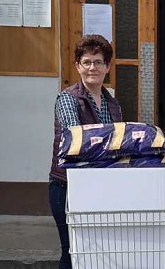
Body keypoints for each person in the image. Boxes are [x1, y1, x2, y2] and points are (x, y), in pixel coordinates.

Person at [49, 34, 122, 269]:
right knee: (71, 252)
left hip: (100, 185)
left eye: (99, 62)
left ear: (107, 67)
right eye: (87, 62)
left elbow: (120, 143)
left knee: (98, 253)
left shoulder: (112, 103)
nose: (93, 67)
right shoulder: (68, 99)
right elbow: (77, 139)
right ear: (78, 66)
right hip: (67, 186)